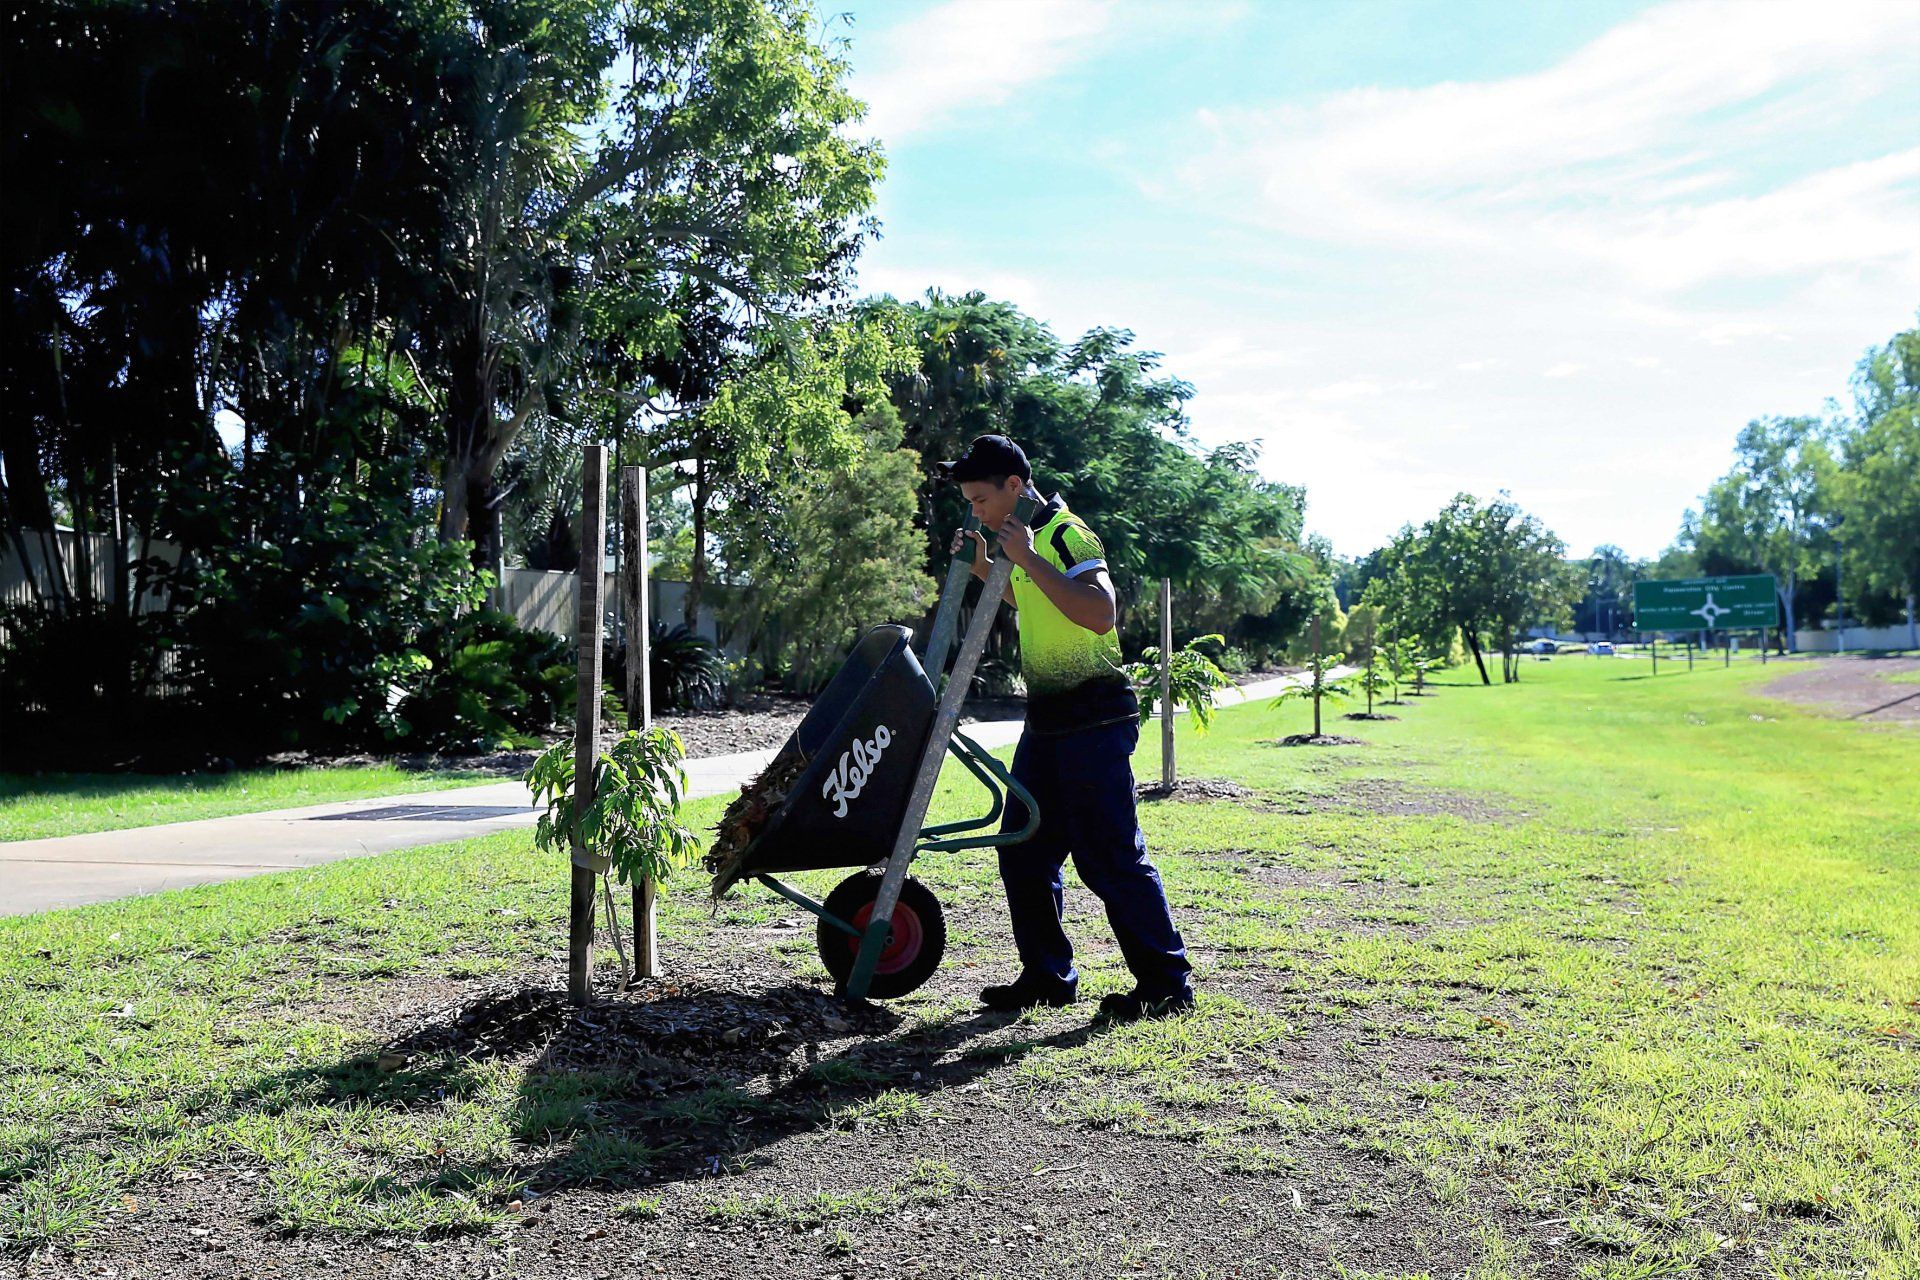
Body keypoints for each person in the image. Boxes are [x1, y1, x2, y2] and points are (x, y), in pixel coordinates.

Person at [940, 434, 1194, 1022]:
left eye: (980, 499)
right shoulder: (1019, 539)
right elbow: (1034, 602)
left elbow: (1099, 611)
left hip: (1095, 719)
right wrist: (986, 567)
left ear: (1013, 486)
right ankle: (1048, 978)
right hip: (1048, 721)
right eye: (970, 503)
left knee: (1109, 858)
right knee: (1024, 851)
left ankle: (1166, 986)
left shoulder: (1063, 533)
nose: (975, 510)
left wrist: (1026, 556)